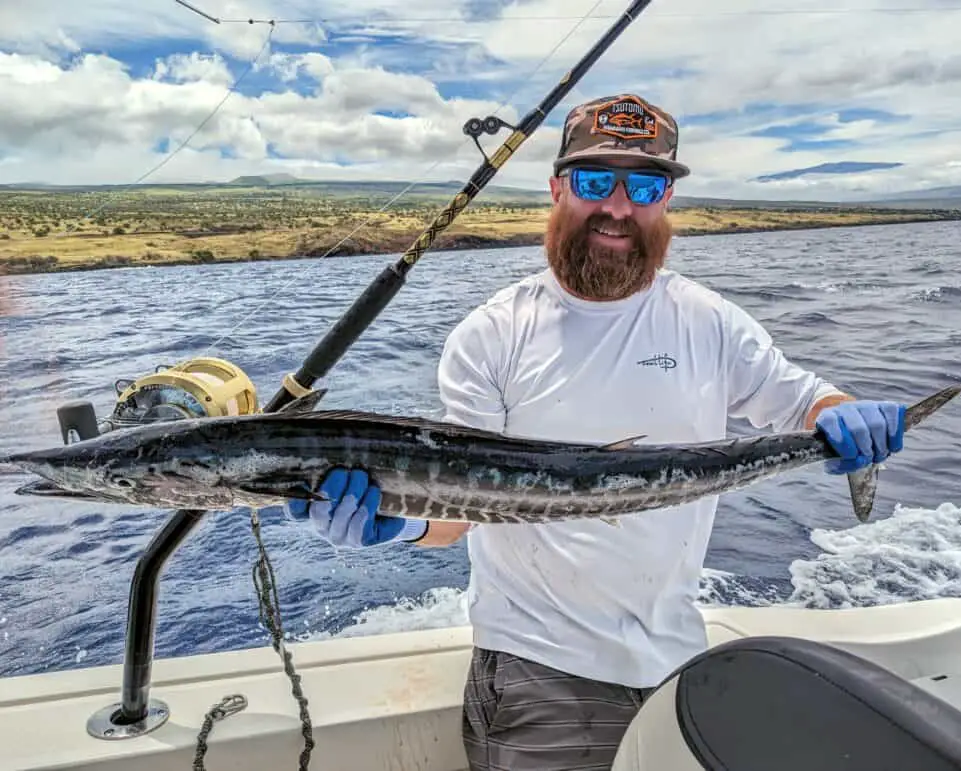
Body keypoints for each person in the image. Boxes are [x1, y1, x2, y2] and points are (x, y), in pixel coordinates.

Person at [286, 93, 907, 770]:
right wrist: (397, 522)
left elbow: (804, 401)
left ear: (665, 199)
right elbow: (459, 508)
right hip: (536, 668)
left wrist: (844, 414)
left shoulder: (710, 322)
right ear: (557, 189)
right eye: (593, 181)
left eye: (643, 184)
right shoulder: (492, 335)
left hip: (678, 658)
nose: (617, 206)